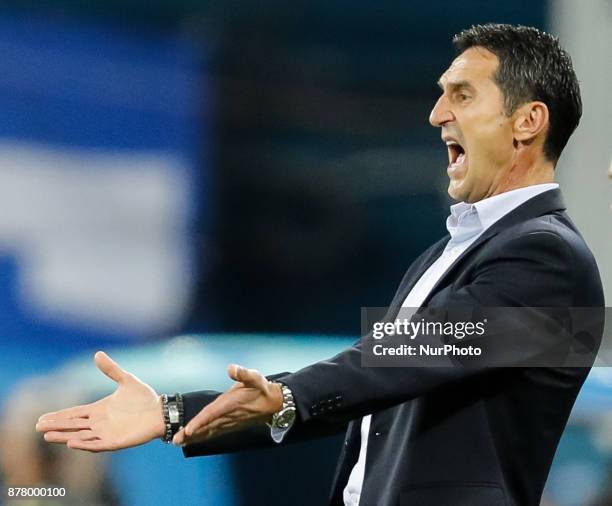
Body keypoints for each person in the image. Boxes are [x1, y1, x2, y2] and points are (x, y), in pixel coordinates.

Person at [36, 23, 604, 506]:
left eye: (461, 95)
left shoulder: (547, 257)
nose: (436, 115)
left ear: (529, 121)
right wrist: (171, 413)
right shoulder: (443, 257)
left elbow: (399, 361)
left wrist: (285, 395)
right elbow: (363, 385)